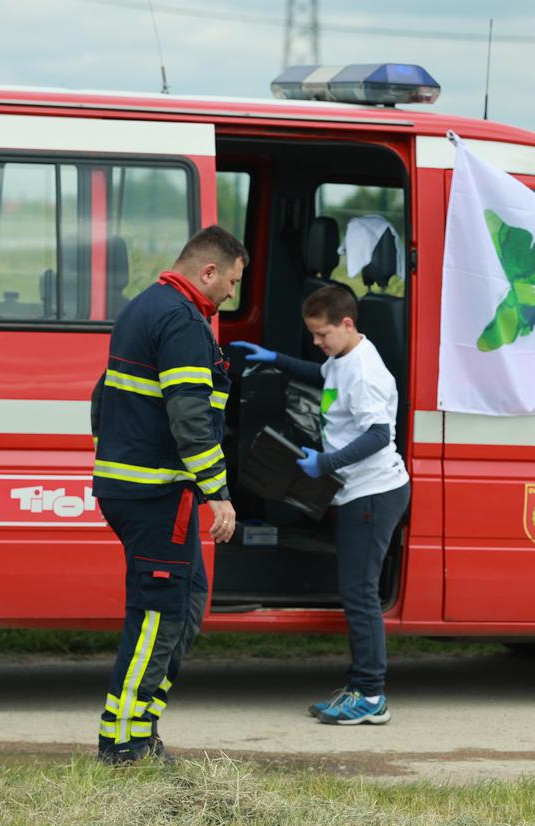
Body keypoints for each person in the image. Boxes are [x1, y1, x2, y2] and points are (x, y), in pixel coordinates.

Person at [90, 225, 246, 764]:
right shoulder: (181, 320)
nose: (231, 293)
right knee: (158, 615)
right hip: (156, 495)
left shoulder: (144, 307)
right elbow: (190, 415)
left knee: (186, 604)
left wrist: (113, 457)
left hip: (137, 487)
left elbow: (101, 396)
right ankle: (124, 745)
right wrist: (218, 492)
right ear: (207, 272)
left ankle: (142, 727)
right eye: (230, 281)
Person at [231, 284, 410, 725]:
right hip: (354, 491)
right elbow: (323, 376)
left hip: (372, 493)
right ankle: (361, 687)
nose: (316, 343)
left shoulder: (366, 372)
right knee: (356, 592)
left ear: (347, 324)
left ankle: (370, 696)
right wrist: (277, 361)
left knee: (360, 594)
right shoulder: (343, 359)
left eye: (321, 335)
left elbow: (378, 435)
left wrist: (325, 462)